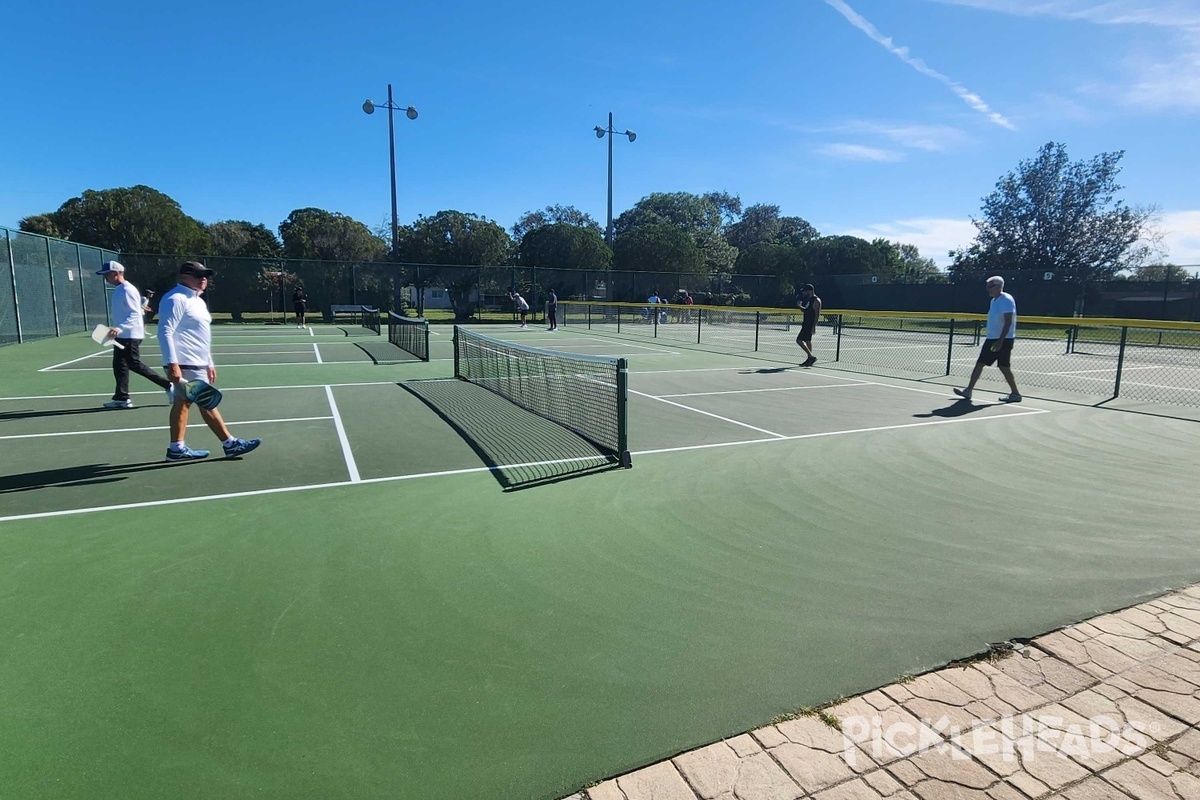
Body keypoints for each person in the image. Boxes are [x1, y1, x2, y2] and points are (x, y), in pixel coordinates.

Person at [158, 261, 262, 461]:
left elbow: (201, 335)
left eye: (205, 275)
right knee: (206, 402)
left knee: (183, 403)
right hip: (185, 363)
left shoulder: (197, 300)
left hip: (197, 362)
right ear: (185, 276)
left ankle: (176, 449)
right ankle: (230, 444)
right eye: (199, 275)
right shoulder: (176, 299)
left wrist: (209, 362)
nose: (203, 279)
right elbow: (165, 331)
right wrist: (172, 363)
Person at [95, 261, 173, 409]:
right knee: (119, 365)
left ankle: (169, 385)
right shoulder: (119, 290)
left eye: (107, 274)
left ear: (116, 273)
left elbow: (134, 314)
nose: (105, 278)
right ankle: (122, 398)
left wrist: (120, 328)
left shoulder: (127, 290)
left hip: (130, 334)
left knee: (133, 364)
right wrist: (117, 329)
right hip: (123, 334)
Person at [954, 276, 1022, 403]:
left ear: (998, 286)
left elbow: (1008, 322)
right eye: (987, 286)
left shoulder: (1006, 300)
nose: (987, 289)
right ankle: (968, 390)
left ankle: (1015, 394)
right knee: (983, 364)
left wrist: (1000, 340)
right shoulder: (994, 301)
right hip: (992, 338)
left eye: (990, 286)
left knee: (1003, 366)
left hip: (1003, 339)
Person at [796, 283, 822, 367]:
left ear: (810, 291)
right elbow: (807, 311)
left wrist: (814, 326)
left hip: (809, 324)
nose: (804, 293)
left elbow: (817, 314)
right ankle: (809, 359)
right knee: (807, 341)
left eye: (805, 291)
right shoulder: (808, 300)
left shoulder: (816, 300)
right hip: (805, 323)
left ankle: (811, 356)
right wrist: (800, 306)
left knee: (799, 340)